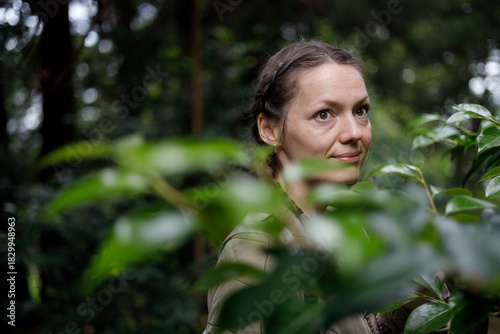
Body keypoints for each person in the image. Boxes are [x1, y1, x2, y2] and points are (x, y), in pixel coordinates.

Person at [204, 40, 445, 334]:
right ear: (269, 130)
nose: (354, 132)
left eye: (360, 111)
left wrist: (419, 292)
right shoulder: (260, 246)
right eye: (324, 114)